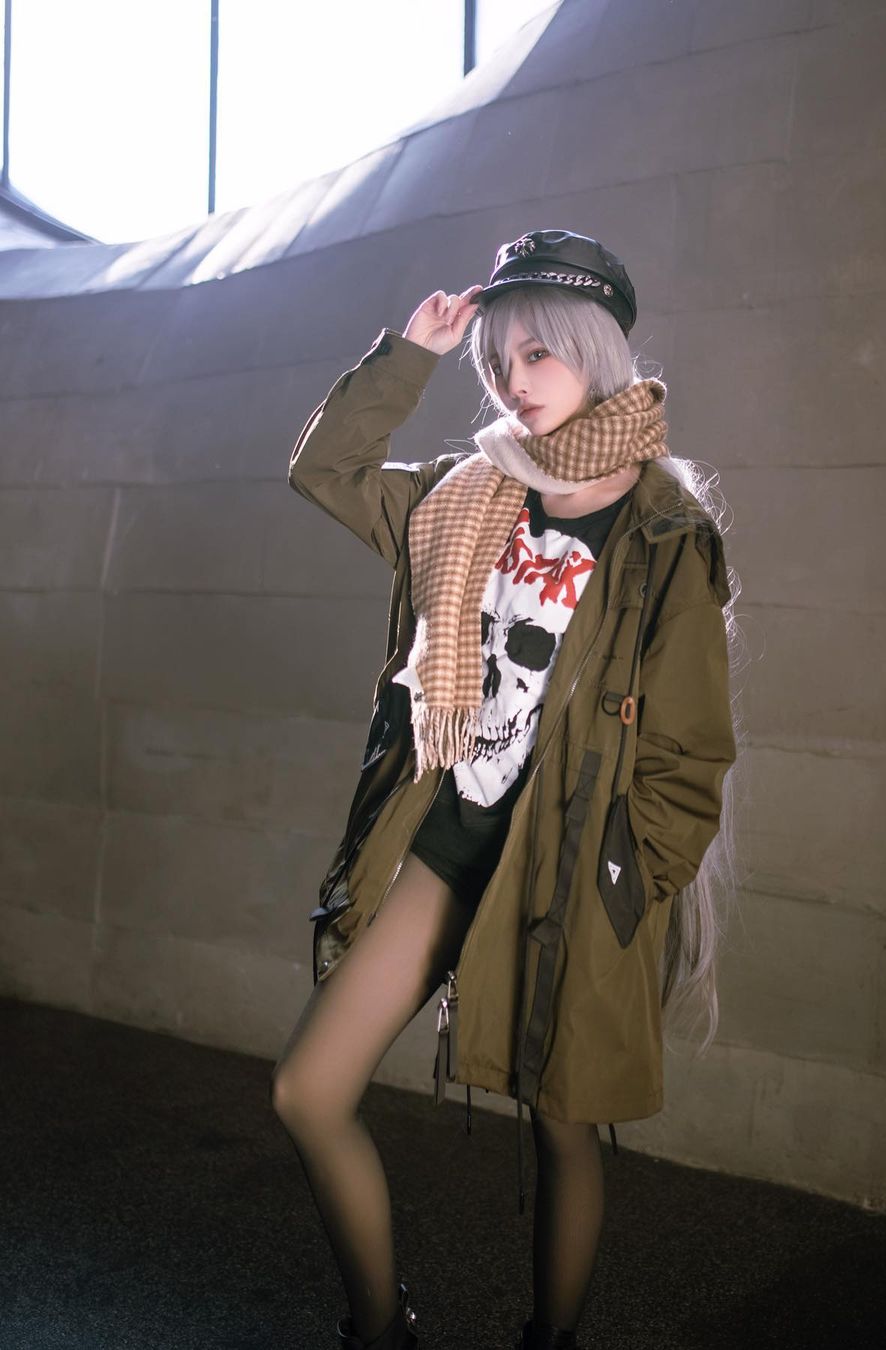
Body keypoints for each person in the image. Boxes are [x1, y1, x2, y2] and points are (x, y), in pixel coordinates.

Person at [272, 229, 741, 1350]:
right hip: (448, 842)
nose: (512, 380)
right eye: (497, 361)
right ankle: (380, 1331)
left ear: (594, 351)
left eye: (538, 353)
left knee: (565, 1129)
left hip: (570, 864)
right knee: (308, 1093)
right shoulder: (463, 494)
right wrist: (413, 355)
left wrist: (627, 882)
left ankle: (551, 1340)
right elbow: (324, 471)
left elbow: (689, 754)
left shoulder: (665, 535)